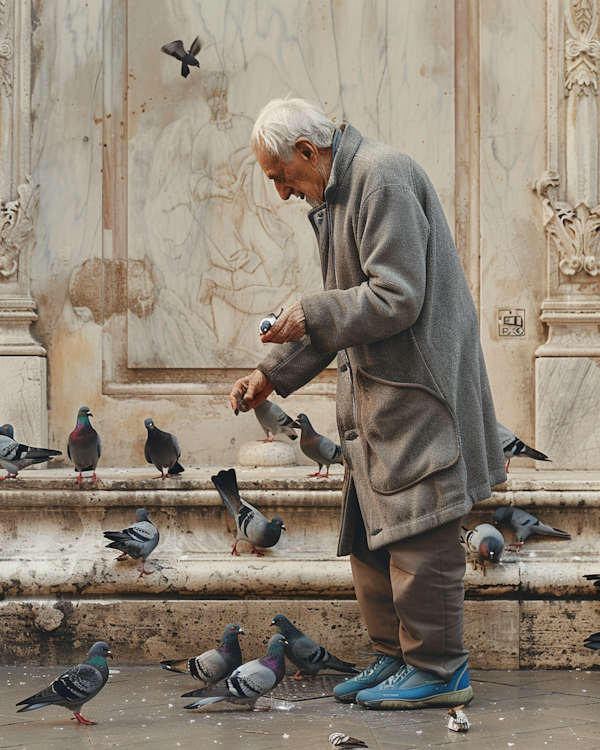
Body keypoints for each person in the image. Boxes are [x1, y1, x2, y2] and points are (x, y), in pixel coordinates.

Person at [228, 97, 506, 710]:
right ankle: (397, 657)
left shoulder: (383, 175)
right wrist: (271, 374)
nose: (280, 193)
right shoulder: (335, 197)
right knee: (370, 535)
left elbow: (396, 297)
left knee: (418, 530)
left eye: (280, 176)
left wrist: (308, 311)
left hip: (417, 397)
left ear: (308, 151)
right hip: (378, 403)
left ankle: (438, 671)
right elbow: (340, 317)